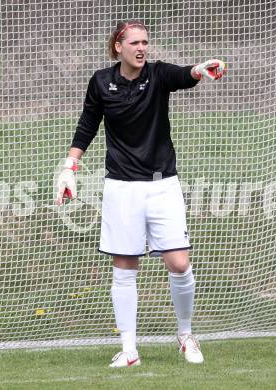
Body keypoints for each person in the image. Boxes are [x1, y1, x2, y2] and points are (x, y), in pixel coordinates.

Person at [56, 20, 226, 368]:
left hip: (162, 185)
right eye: (135, 42)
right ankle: (130, 350)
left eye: (145, 42)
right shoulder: (102, 82)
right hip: (121, 188)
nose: (142, 48)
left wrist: (199, 69)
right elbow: (88, 124)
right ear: (118, 46)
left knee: (179, 263)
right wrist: (69, 167)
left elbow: (184, 75)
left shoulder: (158, 75)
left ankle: (185, 334)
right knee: (124, 267)